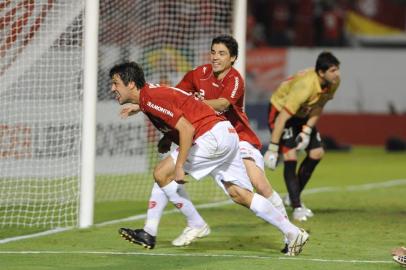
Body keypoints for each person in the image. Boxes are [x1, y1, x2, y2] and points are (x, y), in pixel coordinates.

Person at [109, 61, 309, 256]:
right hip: (226, 134)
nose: (112, 88)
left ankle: (191, 224)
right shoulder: (149, 95)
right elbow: (179, 105)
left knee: (162, 173)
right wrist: (164, 134)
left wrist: (180, 165)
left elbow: (187, 128)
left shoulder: (150, 98)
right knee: (240, 194)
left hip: (210, 137)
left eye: (115, 83)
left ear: (131, 84)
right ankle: (293, 233)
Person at [264, 51, 341, 221]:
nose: (337, 74)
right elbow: (283, 117)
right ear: (321, 73)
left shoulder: (333, 82)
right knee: (290, 156)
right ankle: (297, 207)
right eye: (333, 70)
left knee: (317, 153)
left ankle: (292, 196)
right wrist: (273, 148)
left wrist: (307, 131)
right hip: (281, 113)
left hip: (303, 115)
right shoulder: (305, 86)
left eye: (337, 70)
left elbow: (320, 105)